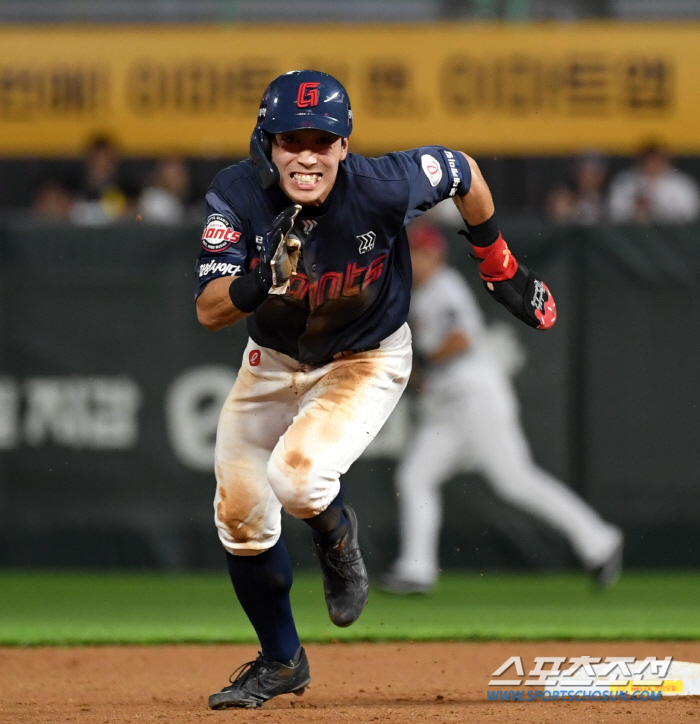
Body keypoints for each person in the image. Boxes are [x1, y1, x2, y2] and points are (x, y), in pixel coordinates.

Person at [194, 69, 556, 711]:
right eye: (290, 139)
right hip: (273, 360)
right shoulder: (237, 195)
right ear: (266, 142)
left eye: (323, 140)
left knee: (299, 480)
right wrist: (257, 280)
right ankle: (282, 662)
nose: (306, 154)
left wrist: (496, 258)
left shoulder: (384, 184)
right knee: (239, 513)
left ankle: (336, 536)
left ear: (344, 145)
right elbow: (209, 309)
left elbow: (462, 170)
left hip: (366, 357)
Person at [378, 224, 623, 595]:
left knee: (514, 480)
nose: (414, 259)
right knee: (415, 476)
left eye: (420, 252)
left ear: (436, 256)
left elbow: (458, 339)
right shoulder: (418, 295)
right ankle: (417, 570)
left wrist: (420, 363)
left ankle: (600, 540)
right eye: (410, 252)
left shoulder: (444, 286)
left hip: (474, 396)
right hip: (447, 404)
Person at [607, 143, 700, 223]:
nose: (652, 164)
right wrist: (633, 209)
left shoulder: (680, 183)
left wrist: (658, 209)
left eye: (657, 160)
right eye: (648, 160)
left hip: (673, 237)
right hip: (632, 235)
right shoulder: (626, 181)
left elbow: (691, 214)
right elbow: (614, 211)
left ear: (666, 160)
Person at [546, 152, 608, 225]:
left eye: (594, 173)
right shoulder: (566, 199)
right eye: (583, 172)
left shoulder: (610, 198)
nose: (588, 178)